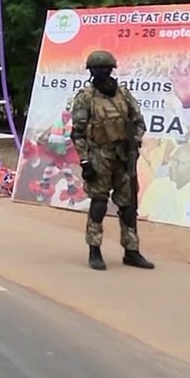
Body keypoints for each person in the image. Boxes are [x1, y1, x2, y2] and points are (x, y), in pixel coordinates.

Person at [71, 50, 155, 271]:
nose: (102, 73)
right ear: (91, 72)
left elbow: (139, 122)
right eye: (97, 70)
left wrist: (134, 142)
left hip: (124, 156)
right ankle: (94, 250)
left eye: (106, 68)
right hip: (99, 155)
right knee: (98, 203)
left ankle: (131, 250)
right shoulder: (85, 98)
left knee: (128, 206)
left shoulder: (124, 94)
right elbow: (78, 133)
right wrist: (85, 162)